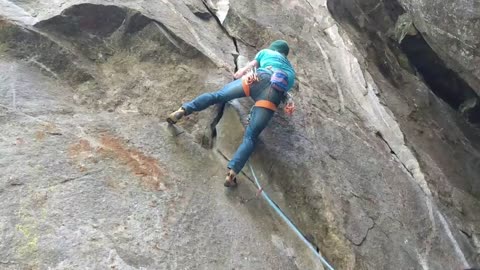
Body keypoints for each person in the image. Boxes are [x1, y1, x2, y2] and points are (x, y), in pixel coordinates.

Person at [167, 40, 296, 187]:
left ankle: (183, 110)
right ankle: (233, 172)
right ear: (285, 55)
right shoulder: (291, 71)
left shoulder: (267, 52)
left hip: (255, 78)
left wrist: (239, 73)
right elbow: (285, 91)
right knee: (251, 136)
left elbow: (247, 68)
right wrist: (289, 103)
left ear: (274, 48)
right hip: (273, 94)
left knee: (217, 96)